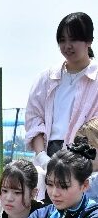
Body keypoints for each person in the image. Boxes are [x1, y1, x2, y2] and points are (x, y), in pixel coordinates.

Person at [26, 12, 98, 199]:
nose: (67, 46)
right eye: (62, 40)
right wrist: (42, 158)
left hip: (87, 161)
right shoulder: (46, 77)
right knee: (46, 216)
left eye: (74, 39)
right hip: (49, 155)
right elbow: (34, 120)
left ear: (89, 40)